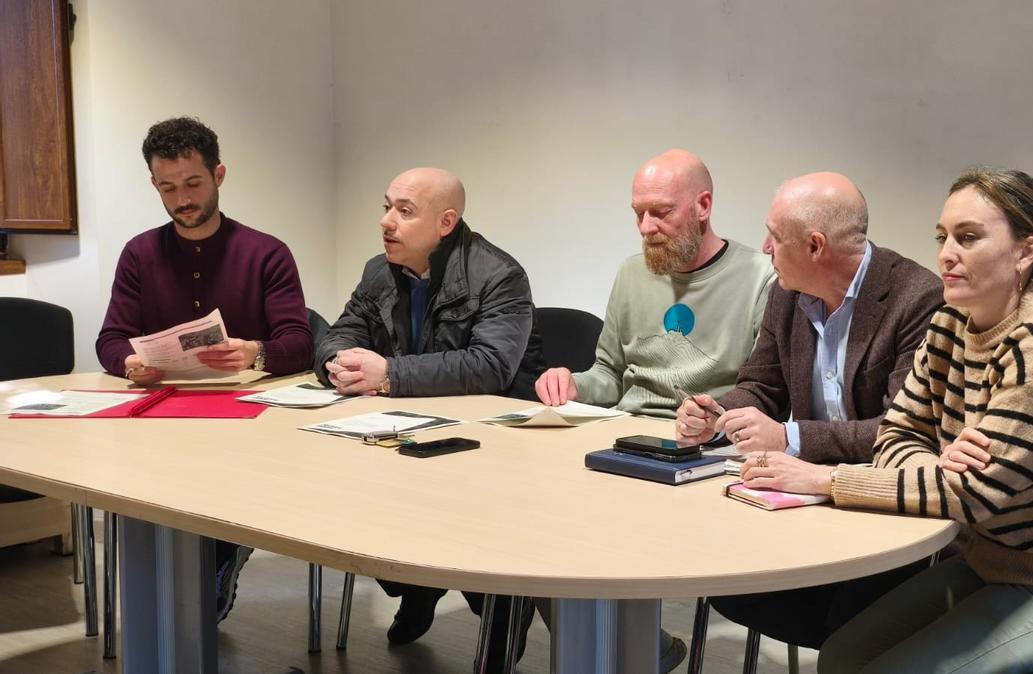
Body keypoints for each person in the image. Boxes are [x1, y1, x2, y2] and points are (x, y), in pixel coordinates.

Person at [737, 167, 1033, 674]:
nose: (946, 254)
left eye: (969, 237)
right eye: (943, 237)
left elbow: (971, 498)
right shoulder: (950, 321)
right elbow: (898, 431)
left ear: (1026, 252)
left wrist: (826, 479)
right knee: (840, 656)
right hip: (992, 562)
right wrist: (938, 464)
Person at [673, 172, 943, 650]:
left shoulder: (916, 298)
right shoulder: (787, 292)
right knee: (727, 584)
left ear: (815, 246)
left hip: (880, 510)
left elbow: (904, 431)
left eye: (775, 236)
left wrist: (789, 438)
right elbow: (760, 385)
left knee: (849, 627)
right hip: (798, 501)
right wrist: (715, 415)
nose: (765, 247)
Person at [314, 167, 542, 670]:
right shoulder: (380, 271)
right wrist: (337, 363)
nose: (386, 221)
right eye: (386, 206)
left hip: (488, 446)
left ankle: (498, 611)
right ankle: (419, 584)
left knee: (481, 537)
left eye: (404, 211)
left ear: (446, 222)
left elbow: (489, 366)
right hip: (406, 432)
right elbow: (340, 331)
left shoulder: (498, 274)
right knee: (354, 505)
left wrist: (387, 373)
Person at [96, 116, 313, 622]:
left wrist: (254, 352)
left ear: (219, 175)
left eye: (192, 183)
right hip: (163, 414)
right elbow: (110, 338)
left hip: (250, 417)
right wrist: (129, 363)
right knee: (144, 487)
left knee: (215, 483)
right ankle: (172, 598)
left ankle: (212, 568)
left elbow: (301, 344)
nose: (182, 199)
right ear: (154, 185)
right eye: (167, 188)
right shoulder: (140, 253)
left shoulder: (266, 253)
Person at [535, 149, 775, 418]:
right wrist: (573, 385)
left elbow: (764, 390)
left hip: (710, 439)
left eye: (661, 212)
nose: (645, 227)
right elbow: (609, 373)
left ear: (703, 206)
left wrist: (711, 421)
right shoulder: (631, 272)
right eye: (639, 213)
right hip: (627, 430)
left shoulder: (761, 278)